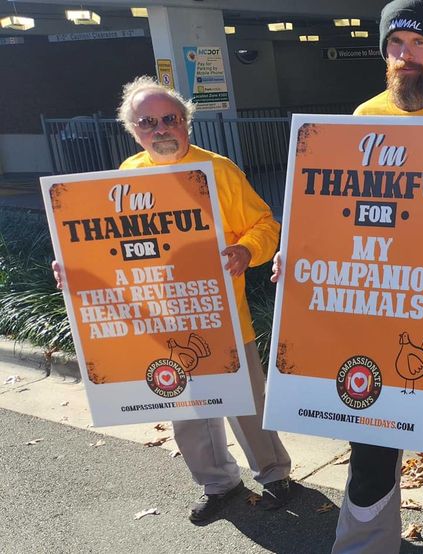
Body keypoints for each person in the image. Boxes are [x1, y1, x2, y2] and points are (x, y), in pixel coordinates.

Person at [268, 1, 423, 552]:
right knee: (372, 433)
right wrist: (299, 256)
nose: (406, 56)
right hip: (373, 310)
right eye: (396, 45)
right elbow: (335, 208)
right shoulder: (363, 119)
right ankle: (365, 543)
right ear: (385, 53)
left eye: (418, 44)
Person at [52, 75, 293, 523]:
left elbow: (265, 224)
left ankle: (275, 474)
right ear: (133, 130)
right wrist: (74, 269)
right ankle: (219, 484)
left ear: (185, 122)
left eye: (169, 119)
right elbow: (105, 247)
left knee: (245, 401)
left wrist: (247, 250)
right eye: (148, 122)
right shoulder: (124, 176)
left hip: (220, 316)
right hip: (159, 321)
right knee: (186, 409)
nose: (160, 128)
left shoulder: (217, 171)